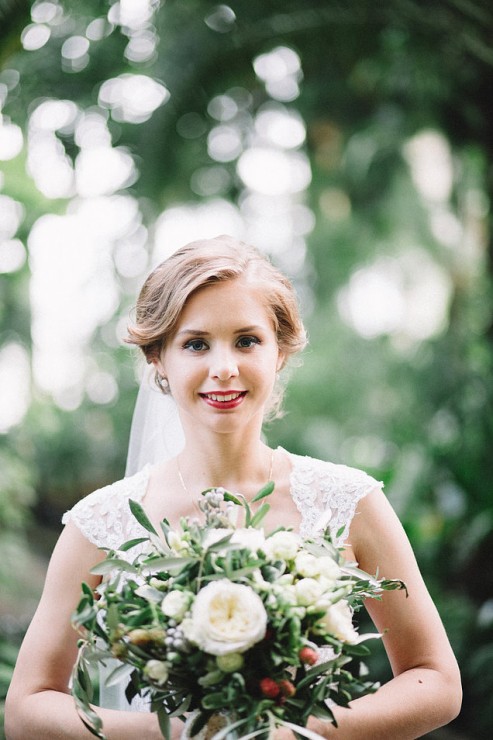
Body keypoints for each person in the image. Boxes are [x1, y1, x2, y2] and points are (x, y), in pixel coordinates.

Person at [5, 235, 462, 739]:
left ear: (279, 352)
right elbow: (26, 709)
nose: (223, 368)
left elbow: (437, 681)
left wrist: (296, 734)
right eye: (196, 344)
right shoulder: (100, 524)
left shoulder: (347, 502)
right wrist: (179, 735)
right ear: (159, 357)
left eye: (247, 341)